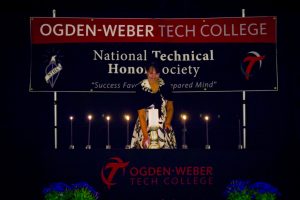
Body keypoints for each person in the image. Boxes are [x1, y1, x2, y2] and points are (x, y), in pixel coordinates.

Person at [130, 63, 177, 149]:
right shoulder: (140, 88)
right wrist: (145, 135)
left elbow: (170, 108)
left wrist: (168, 122)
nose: (153, 76)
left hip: (163, 123)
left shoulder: (166, 86)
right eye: (151, 73)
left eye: (157, 73)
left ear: (159, 74)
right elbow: (141, 114)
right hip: (145, 125)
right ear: (146, 72)